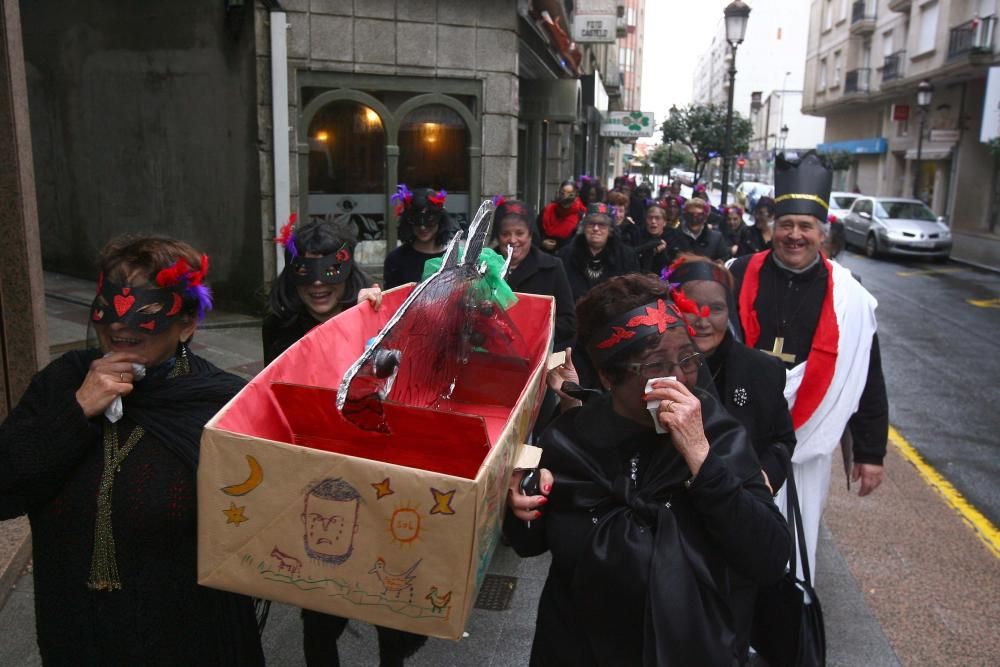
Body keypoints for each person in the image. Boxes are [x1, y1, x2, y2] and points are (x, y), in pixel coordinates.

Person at [0, 235, 265, 665]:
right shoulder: (60, 384)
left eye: (148, 310)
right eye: (109, 306)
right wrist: (77, 411)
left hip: (183, 643)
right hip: (75, 639)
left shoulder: (222, 405)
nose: (120, 325)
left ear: (187, 324)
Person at [504, 273, 790, 666]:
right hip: (579, 647)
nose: (679, 379)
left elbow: (769, 556)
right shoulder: (570, 440)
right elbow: (529, 542)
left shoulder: (715, 429)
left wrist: (702, 460)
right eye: (655, 366)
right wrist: (519, 508)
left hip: (694, 647)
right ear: (608, 377)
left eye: (687, 358)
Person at [265, 217, 430, 667]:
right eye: (307, 277)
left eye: (330, 277)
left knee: (386, 597)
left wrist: (365, 323)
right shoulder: (280, 321)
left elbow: (401, 381)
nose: (319, 288)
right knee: (319, 605)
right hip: (316, 466)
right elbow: (278, 388)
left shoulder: (373, 311)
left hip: (374, 462)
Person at [727, 150, 889, 581]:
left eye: (805, 227)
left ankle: (786, 620)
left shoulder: (850, 298)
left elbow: (866, 374)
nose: (794, 235)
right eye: (786, 225)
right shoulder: (735, 273)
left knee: (793, 546)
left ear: (823, 233)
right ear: (771, 228)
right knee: (729, 537)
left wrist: (870, 452)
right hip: (738, 433)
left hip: (808, 443)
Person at [264, 215, 383, 363]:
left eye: (332, 269)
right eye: (304, 270)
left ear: (349, 272)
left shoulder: (377, 318)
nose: (318, 282)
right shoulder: (278, 328)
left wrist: (363, 319)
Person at [493, 198, 576, 350]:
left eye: (520, 233)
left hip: (535, 354)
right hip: (492, 356)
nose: (512, 240)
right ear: (497, 236)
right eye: (505, 234)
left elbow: (568, 323)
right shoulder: (483, 267)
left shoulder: (552, 267)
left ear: (530, 235)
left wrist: (531, 332)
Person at [558, 202, 639, 302]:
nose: (596, 229)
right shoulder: (566, 255)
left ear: (610, 230)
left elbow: (633, 294)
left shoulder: (627, 256)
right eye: (591, 224)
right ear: (583, 228)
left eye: (602, 224)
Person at [382, 185, 455, 289]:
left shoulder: (454, 257)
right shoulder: (396, 259)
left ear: (440, 219)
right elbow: (390, 300)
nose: (423, 227)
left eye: (429, 219)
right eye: (416, 219)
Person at [668, 197, 729, 263]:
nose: (694, 220)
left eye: (699, 216)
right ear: (685, 216)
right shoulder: (672, 236)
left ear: (705, 217)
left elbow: (724, 260)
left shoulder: (716, 238)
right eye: (691, 215)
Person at [540, 179, 586, 253]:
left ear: (576, 195)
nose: (565, 197)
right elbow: (536, 233)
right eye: (563, 193)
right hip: (545, 254)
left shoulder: (580, 216)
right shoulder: (547, 211)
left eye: (570, 194)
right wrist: (542, 242)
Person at [633, 204, 672, 274]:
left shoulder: (673, 237)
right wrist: (653, 250)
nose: (653, 221)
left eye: (657, 218)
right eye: (650, 218)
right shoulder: (636, 236)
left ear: (664, 222)